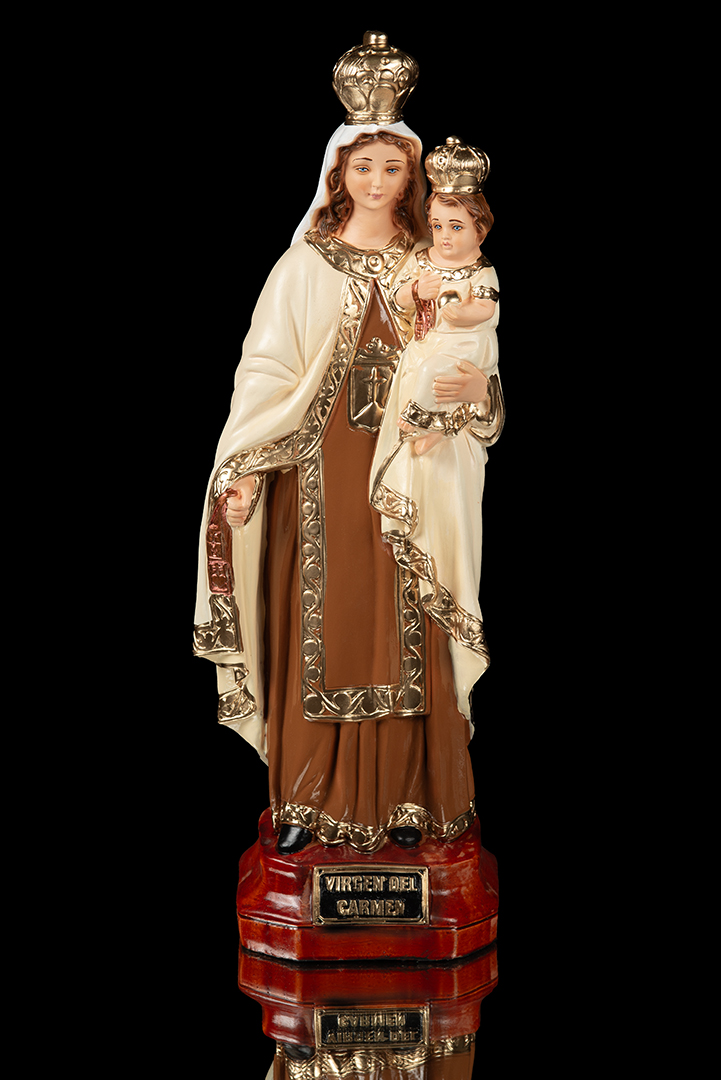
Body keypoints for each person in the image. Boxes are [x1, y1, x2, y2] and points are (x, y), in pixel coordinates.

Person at [194, 44, 503, 856]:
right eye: (362, 166)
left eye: (393, 169)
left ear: (412, 178)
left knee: (410, 622)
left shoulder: (434, 262)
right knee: (322, 623)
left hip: (412, 479)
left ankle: (411, 801)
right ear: (338, 172)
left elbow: (471, 358)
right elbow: (265, 372)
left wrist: (479, 394)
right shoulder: (303, 266)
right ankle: (307, 798)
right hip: (317, 475)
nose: (377, 182)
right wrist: (245, 466)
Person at [370, 139, 504, 724]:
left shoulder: (481, 273)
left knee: (450, 547)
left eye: (457, 227)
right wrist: (416, 293)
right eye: (438, 225)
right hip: (409, 395)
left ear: (479, 228)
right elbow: (398, 300)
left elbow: (484, 339)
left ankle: (451, 693)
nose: (445, 237)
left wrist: (481, 396)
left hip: (455, 446)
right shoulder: (418, 262)